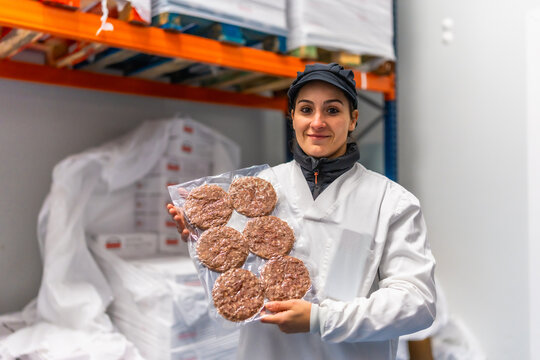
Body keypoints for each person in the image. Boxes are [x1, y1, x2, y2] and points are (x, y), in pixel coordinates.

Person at [167, 63, 436, 360]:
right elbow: (235, 274)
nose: (317, 122)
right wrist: (204, 236)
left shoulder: (391, 202)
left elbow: (417, 303)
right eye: (306, 110)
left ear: (352, 120)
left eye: (332, 111)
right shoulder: (257, 190)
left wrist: (320, 319)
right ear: (292, 117)